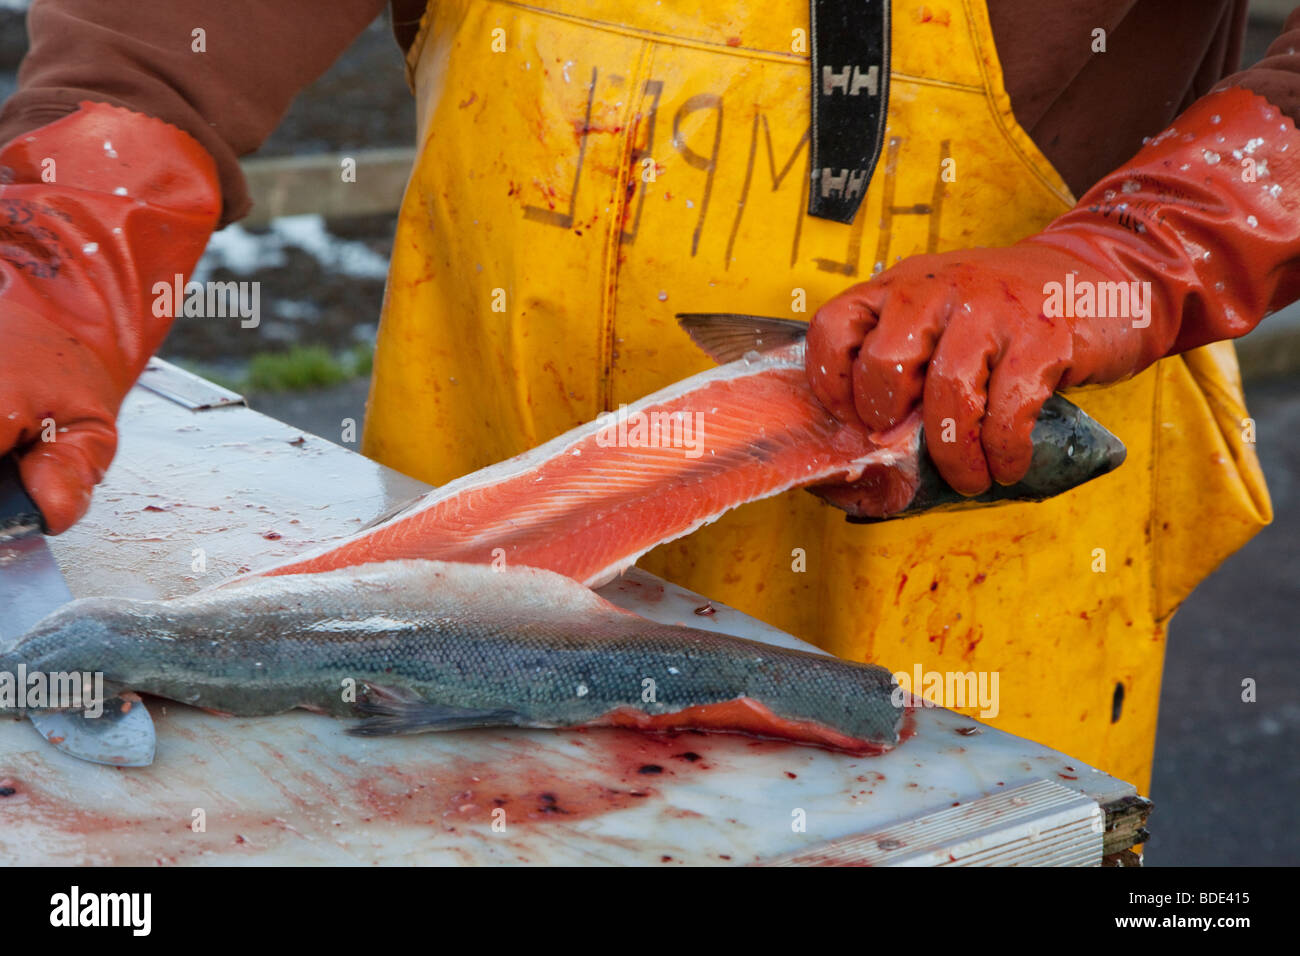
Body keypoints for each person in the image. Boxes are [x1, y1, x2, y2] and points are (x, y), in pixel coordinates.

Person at [2, 0, 1297, 793]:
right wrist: (71, 232)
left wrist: (1143, 252)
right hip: (467, 463)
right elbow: (170, 34)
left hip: (974, 566)